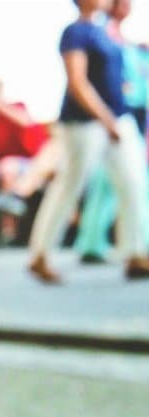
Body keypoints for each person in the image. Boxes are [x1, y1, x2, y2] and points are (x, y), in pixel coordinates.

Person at [28, 0, 149, 283]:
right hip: (86, 123)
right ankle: (40, 254)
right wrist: (106, 119)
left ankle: (136, 252)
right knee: (70, 185)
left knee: (133, 184)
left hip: (120, 119)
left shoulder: (103, 32)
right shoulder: (76, 32)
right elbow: (78, 82)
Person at [75, 0, 149, 263]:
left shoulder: (124, 40)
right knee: (124, 181)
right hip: (116, 115)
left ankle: (101, 243)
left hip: (133, 113)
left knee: (123, 181)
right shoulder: (100, 33)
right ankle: (108, 244)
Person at [0, 80, 58, 243]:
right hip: (0, 169)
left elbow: (26, 122)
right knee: (6, 169)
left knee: (9, 168)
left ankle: (11, 224)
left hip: (28, 164)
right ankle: (9, 229)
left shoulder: (16, 107)